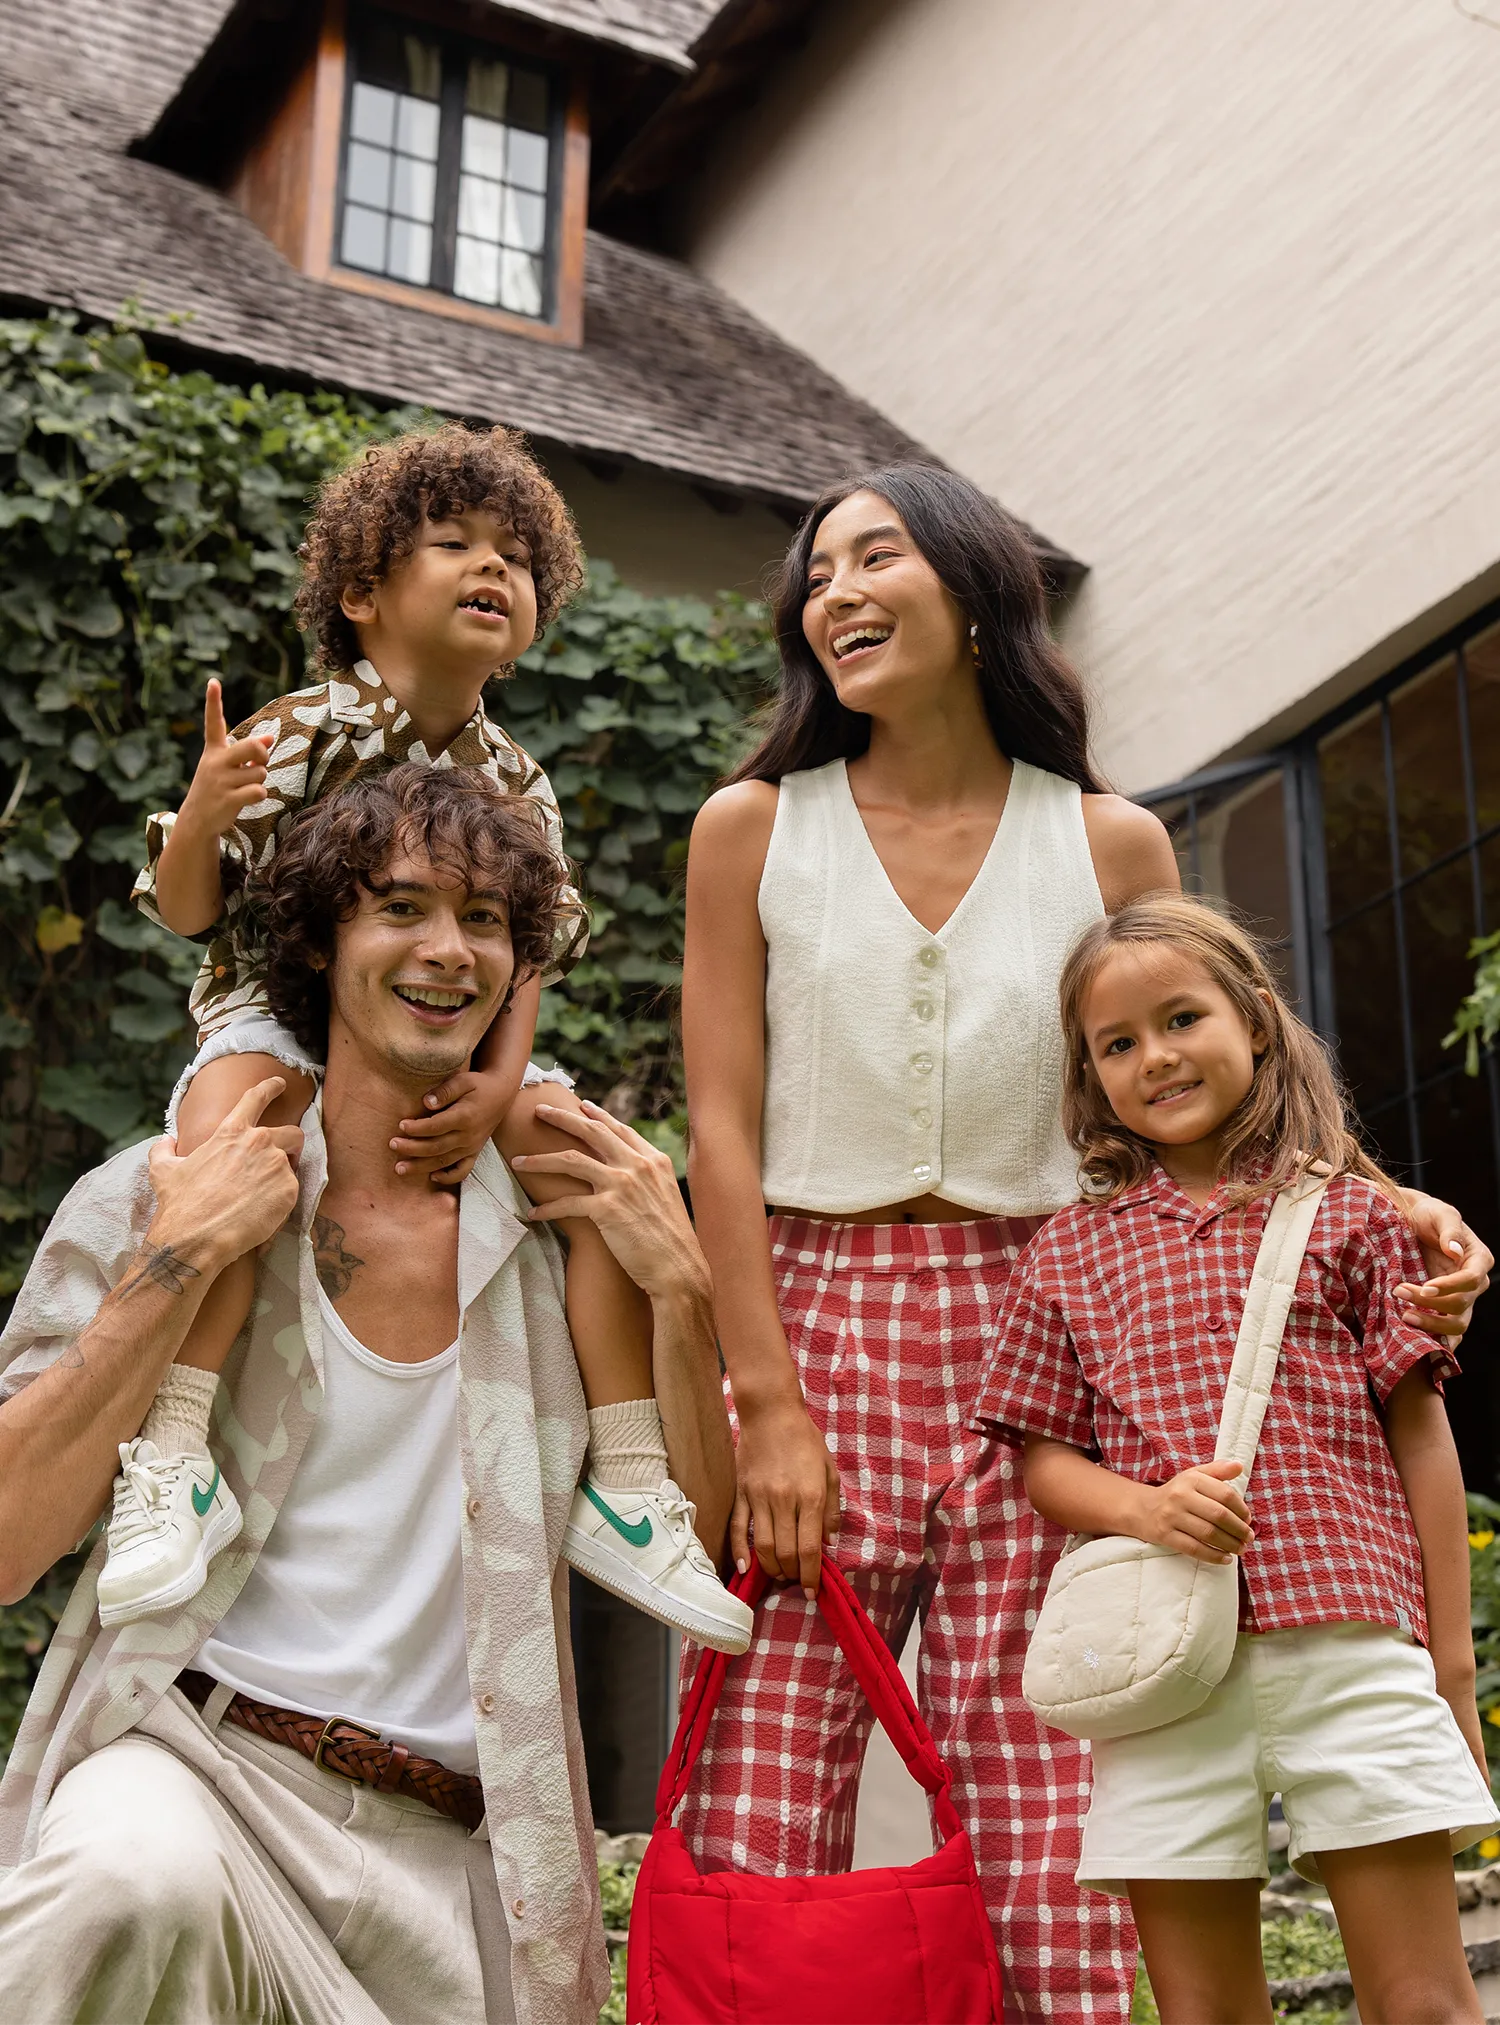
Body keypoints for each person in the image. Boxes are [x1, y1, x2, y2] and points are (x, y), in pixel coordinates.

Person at [678, 462, 1492, 2022]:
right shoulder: (754, 828)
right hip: (816, 1312)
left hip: (1049, 1323)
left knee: (1049, 1786)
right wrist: (763, 1394)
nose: (833, 592)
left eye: (877, 556)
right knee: (765, 1761)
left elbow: (1213, 1083)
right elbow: (720, 1129)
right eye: (818, 573)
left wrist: (1392, 1199)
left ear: (980, 594)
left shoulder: (1109, 839)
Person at [0, 762, 736, 2025]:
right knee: (122, 1884)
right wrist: (176, 1262)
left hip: (458, 1863)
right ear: (320, 944)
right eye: (399, 908)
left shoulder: (565, 1235)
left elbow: (704, 1535)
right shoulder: (168, 1189)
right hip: (201, 1777)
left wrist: (684, 1294)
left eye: (486, 920)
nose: (449, 951)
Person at [106, 420, 749, 1655]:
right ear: (361, 594)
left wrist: (499, 1085)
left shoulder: (521, 780)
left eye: (515, 555)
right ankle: (174, 1456)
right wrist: (199, 817)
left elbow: (532, 960)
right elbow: (189, 915)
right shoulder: (296, 732)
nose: (490, 568)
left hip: (458, 1028)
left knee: (584, 1157)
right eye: (452, 543)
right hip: (267, 1006)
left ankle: (624, 1481)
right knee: (229, 1145)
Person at [977, 895, 1497, 2025]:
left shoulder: (1354, 1219)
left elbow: (1424, 1444)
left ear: (1255, 1022)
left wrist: (1450, 1676)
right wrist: (1149, 1507)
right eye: (1117, 1044)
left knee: (1427, 2003)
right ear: (1091, 1076)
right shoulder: (1066, 1255)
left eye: (1180, 1019)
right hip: (1162, 1674)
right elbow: (1044, 1466)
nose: (1154, 1057)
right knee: (1206, 2012)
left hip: (1352, 1642)